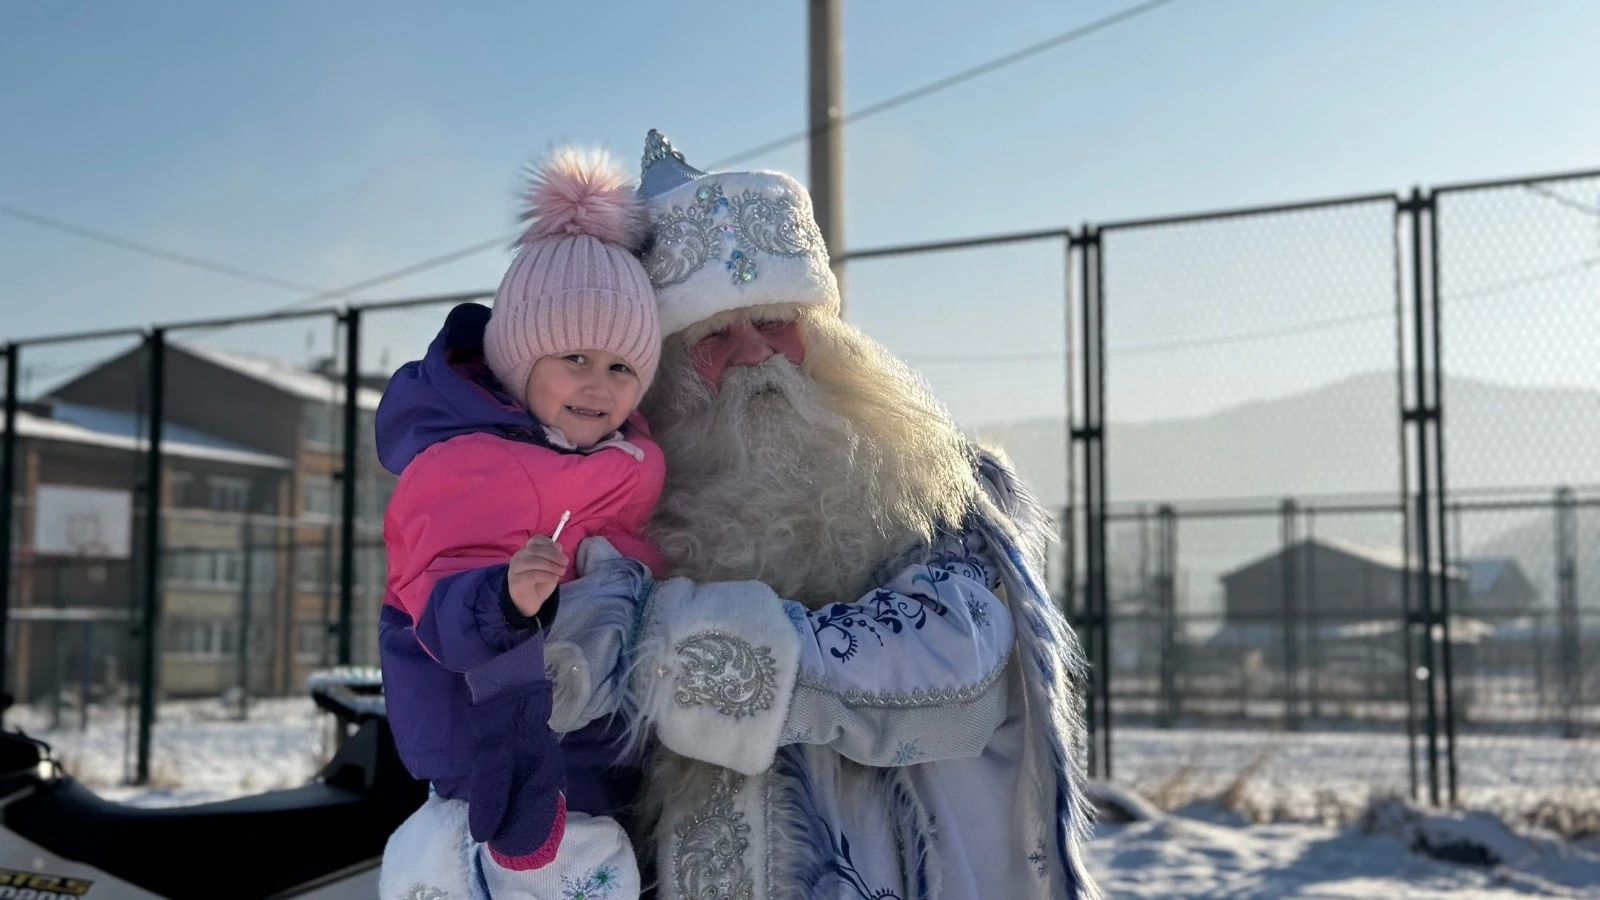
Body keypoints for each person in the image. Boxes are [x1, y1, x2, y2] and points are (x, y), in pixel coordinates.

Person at [621, 130, 1100, 900]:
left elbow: (958, 662)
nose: (756, 354)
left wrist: (674, 650)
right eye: (713, 335)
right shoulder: (620, 510)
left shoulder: (929, 481)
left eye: (775, 322)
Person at [374, 148, 664, 900]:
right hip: (494, 745)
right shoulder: (471, 463)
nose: (599, 384)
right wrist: (502, 598)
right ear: (515, 358)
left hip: (591, 732)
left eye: (622, 367)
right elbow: (435, 601)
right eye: (574, 356)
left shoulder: (623, 459)